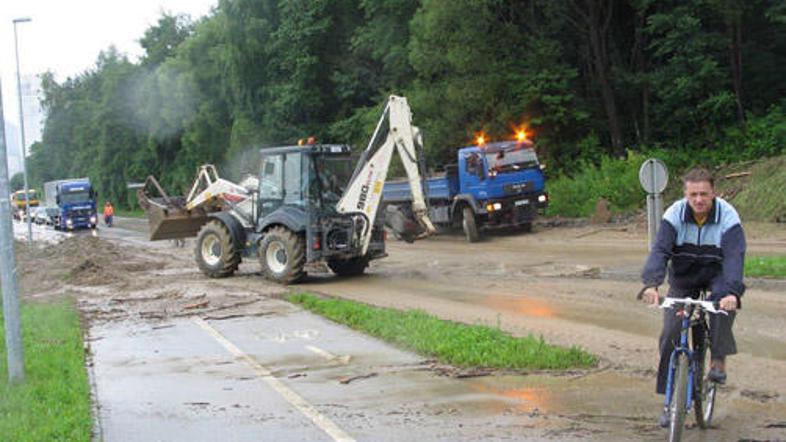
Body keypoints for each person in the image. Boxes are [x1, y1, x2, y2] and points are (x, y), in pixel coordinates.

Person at [640, 167, 746, 427]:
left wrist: (732, 292)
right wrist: (651, 284)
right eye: (693, 195)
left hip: (716, 273)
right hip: (684, 275)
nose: (699, 200)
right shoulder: (674, 214)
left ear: (714, 193)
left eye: (704, 194)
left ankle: (718, 360)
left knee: (721, 307)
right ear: (685, 194)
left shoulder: (728, 216)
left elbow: (735, 257)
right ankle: (669, 401)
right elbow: (660, 251)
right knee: (670, 332)